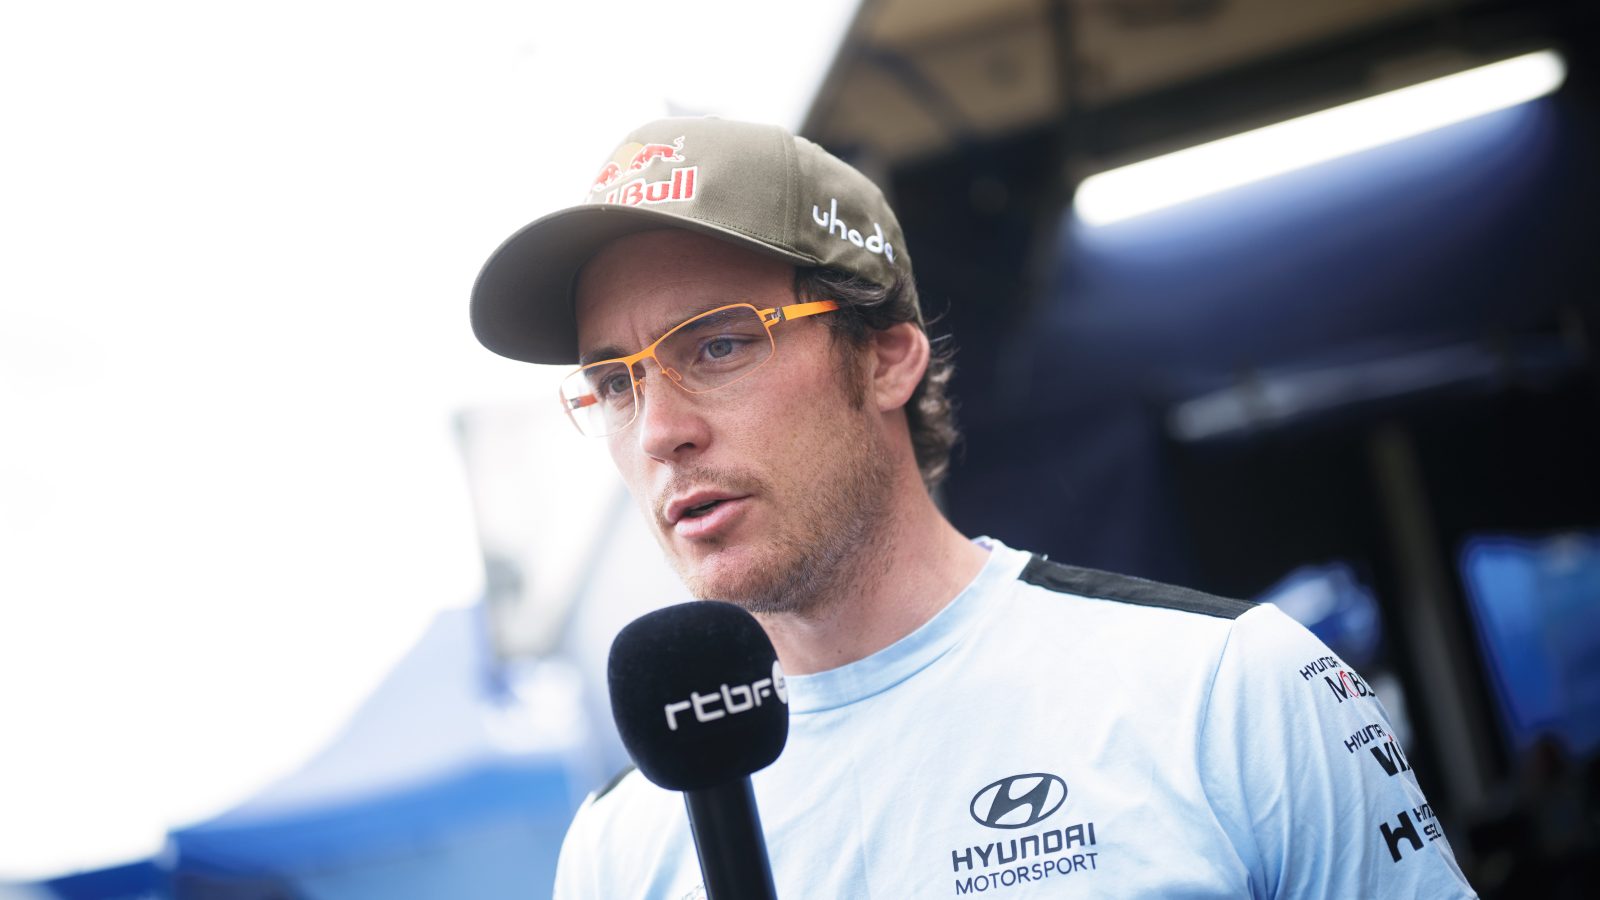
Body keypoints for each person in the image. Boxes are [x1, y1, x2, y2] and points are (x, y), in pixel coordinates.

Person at [471, 116, 1477, 898]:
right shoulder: (620, 848)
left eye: (719, 344)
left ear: (886, 358)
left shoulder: (1228, 691)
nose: (659, 429)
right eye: (613, 382)